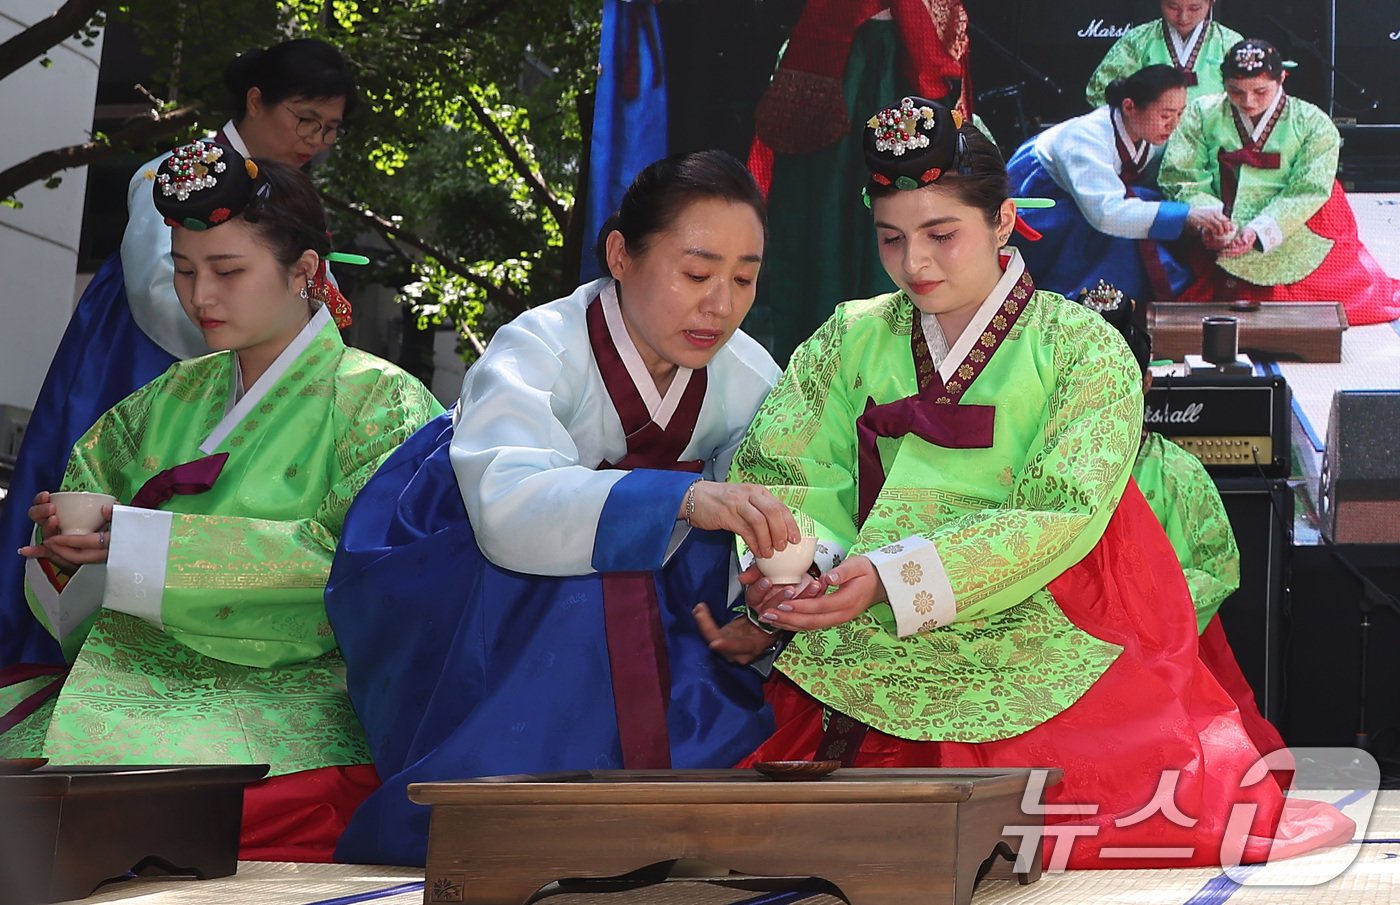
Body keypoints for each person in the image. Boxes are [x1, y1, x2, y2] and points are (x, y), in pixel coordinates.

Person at [727, 96, 1353, 869]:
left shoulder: (1081, 348)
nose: (914, 263)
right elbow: (793, 468)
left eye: (940, 234)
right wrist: (797, 565)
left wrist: (895, 576)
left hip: (1046, 609)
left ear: (1000, 221)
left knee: (1095, 810)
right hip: (869, 608)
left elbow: (1063, 511)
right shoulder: (850, 337)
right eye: (891, 238)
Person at [324, 150, 793, 866]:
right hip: (462, 555)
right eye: (696, 273)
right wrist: (679, 497)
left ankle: (647, 815)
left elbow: (772, 511)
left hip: (642, 572)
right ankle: (522, 818)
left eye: (744, 278)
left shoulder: (752, 377)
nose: (720, 304)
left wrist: (759, 601)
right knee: (582, 605)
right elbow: (508, 505)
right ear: (621, 256)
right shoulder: (537, 347)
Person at [0, 141, 443, 862]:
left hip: (290, 701)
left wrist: (136, 544)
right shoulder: (163, 401)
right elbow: (82, 547)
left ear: (304, 272)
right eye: (182, 270)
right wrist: (66, 555)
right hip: (120, 680)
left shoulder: (383, 404)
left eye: (228, 271)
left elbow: (362, 569)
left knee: (106, 816)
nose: (200, 296)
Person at [0, 38, 358, 668]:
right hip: (144, 365)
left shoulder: (370, 399)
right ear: (255, 101)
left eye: (330, 128)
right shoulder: (173, 178)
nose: (316, 140)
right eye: (305, 119)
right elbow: (159, 299)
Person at [1159, 39, 1400, 325]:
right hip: (1220, 211)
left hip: (1291, 220)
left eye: (1260, 91)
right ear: (1223, 82)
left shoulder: (1313, 123)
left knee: (1322, 299)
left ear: (1281, 78)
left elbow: (1308, 190)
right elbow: (1183, 175)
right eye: (1235, 91)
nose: (1248, 102)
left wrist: (1259, 232)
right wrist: (1213, 222)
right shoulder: (1201, 114)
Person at [1008, 65, 1232, 301]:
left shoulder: (1145, 131)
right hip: (1038, 205)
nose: (1173, 125)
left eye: (1179, 114)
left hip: (1090, 201)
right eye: (1165, 115)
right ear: (1129, 107)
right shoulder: (1085, 138)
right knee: (1124, 239)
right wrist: (1184, 216)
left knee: (1150, 210)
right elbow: (1105, 213)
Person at [1086, 0, 1243, 107]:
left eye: (1194, 8)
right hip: (1147, 143)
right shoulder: (1138, 40)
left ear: (1211, 2)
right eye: (1173, 7)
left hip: (1209, 143)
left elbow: (1245, 97)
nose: (1183, 17)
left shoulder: (1229, 43)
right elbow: (1101, 91)